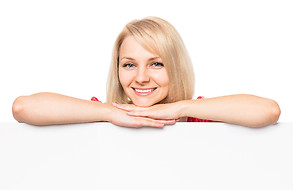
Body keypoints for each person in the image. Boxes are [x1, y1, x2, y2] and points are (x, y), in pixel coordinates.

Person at [12, 17, 281, 128]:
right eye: (129, 64)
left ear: (175, 66)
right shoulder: (104, 116)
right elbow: (23, 108)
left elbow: (268, 111)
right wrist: (110, 112)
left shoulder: (194, 118)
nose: (141, 77)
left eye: (156, 63)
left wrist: (178, 108)